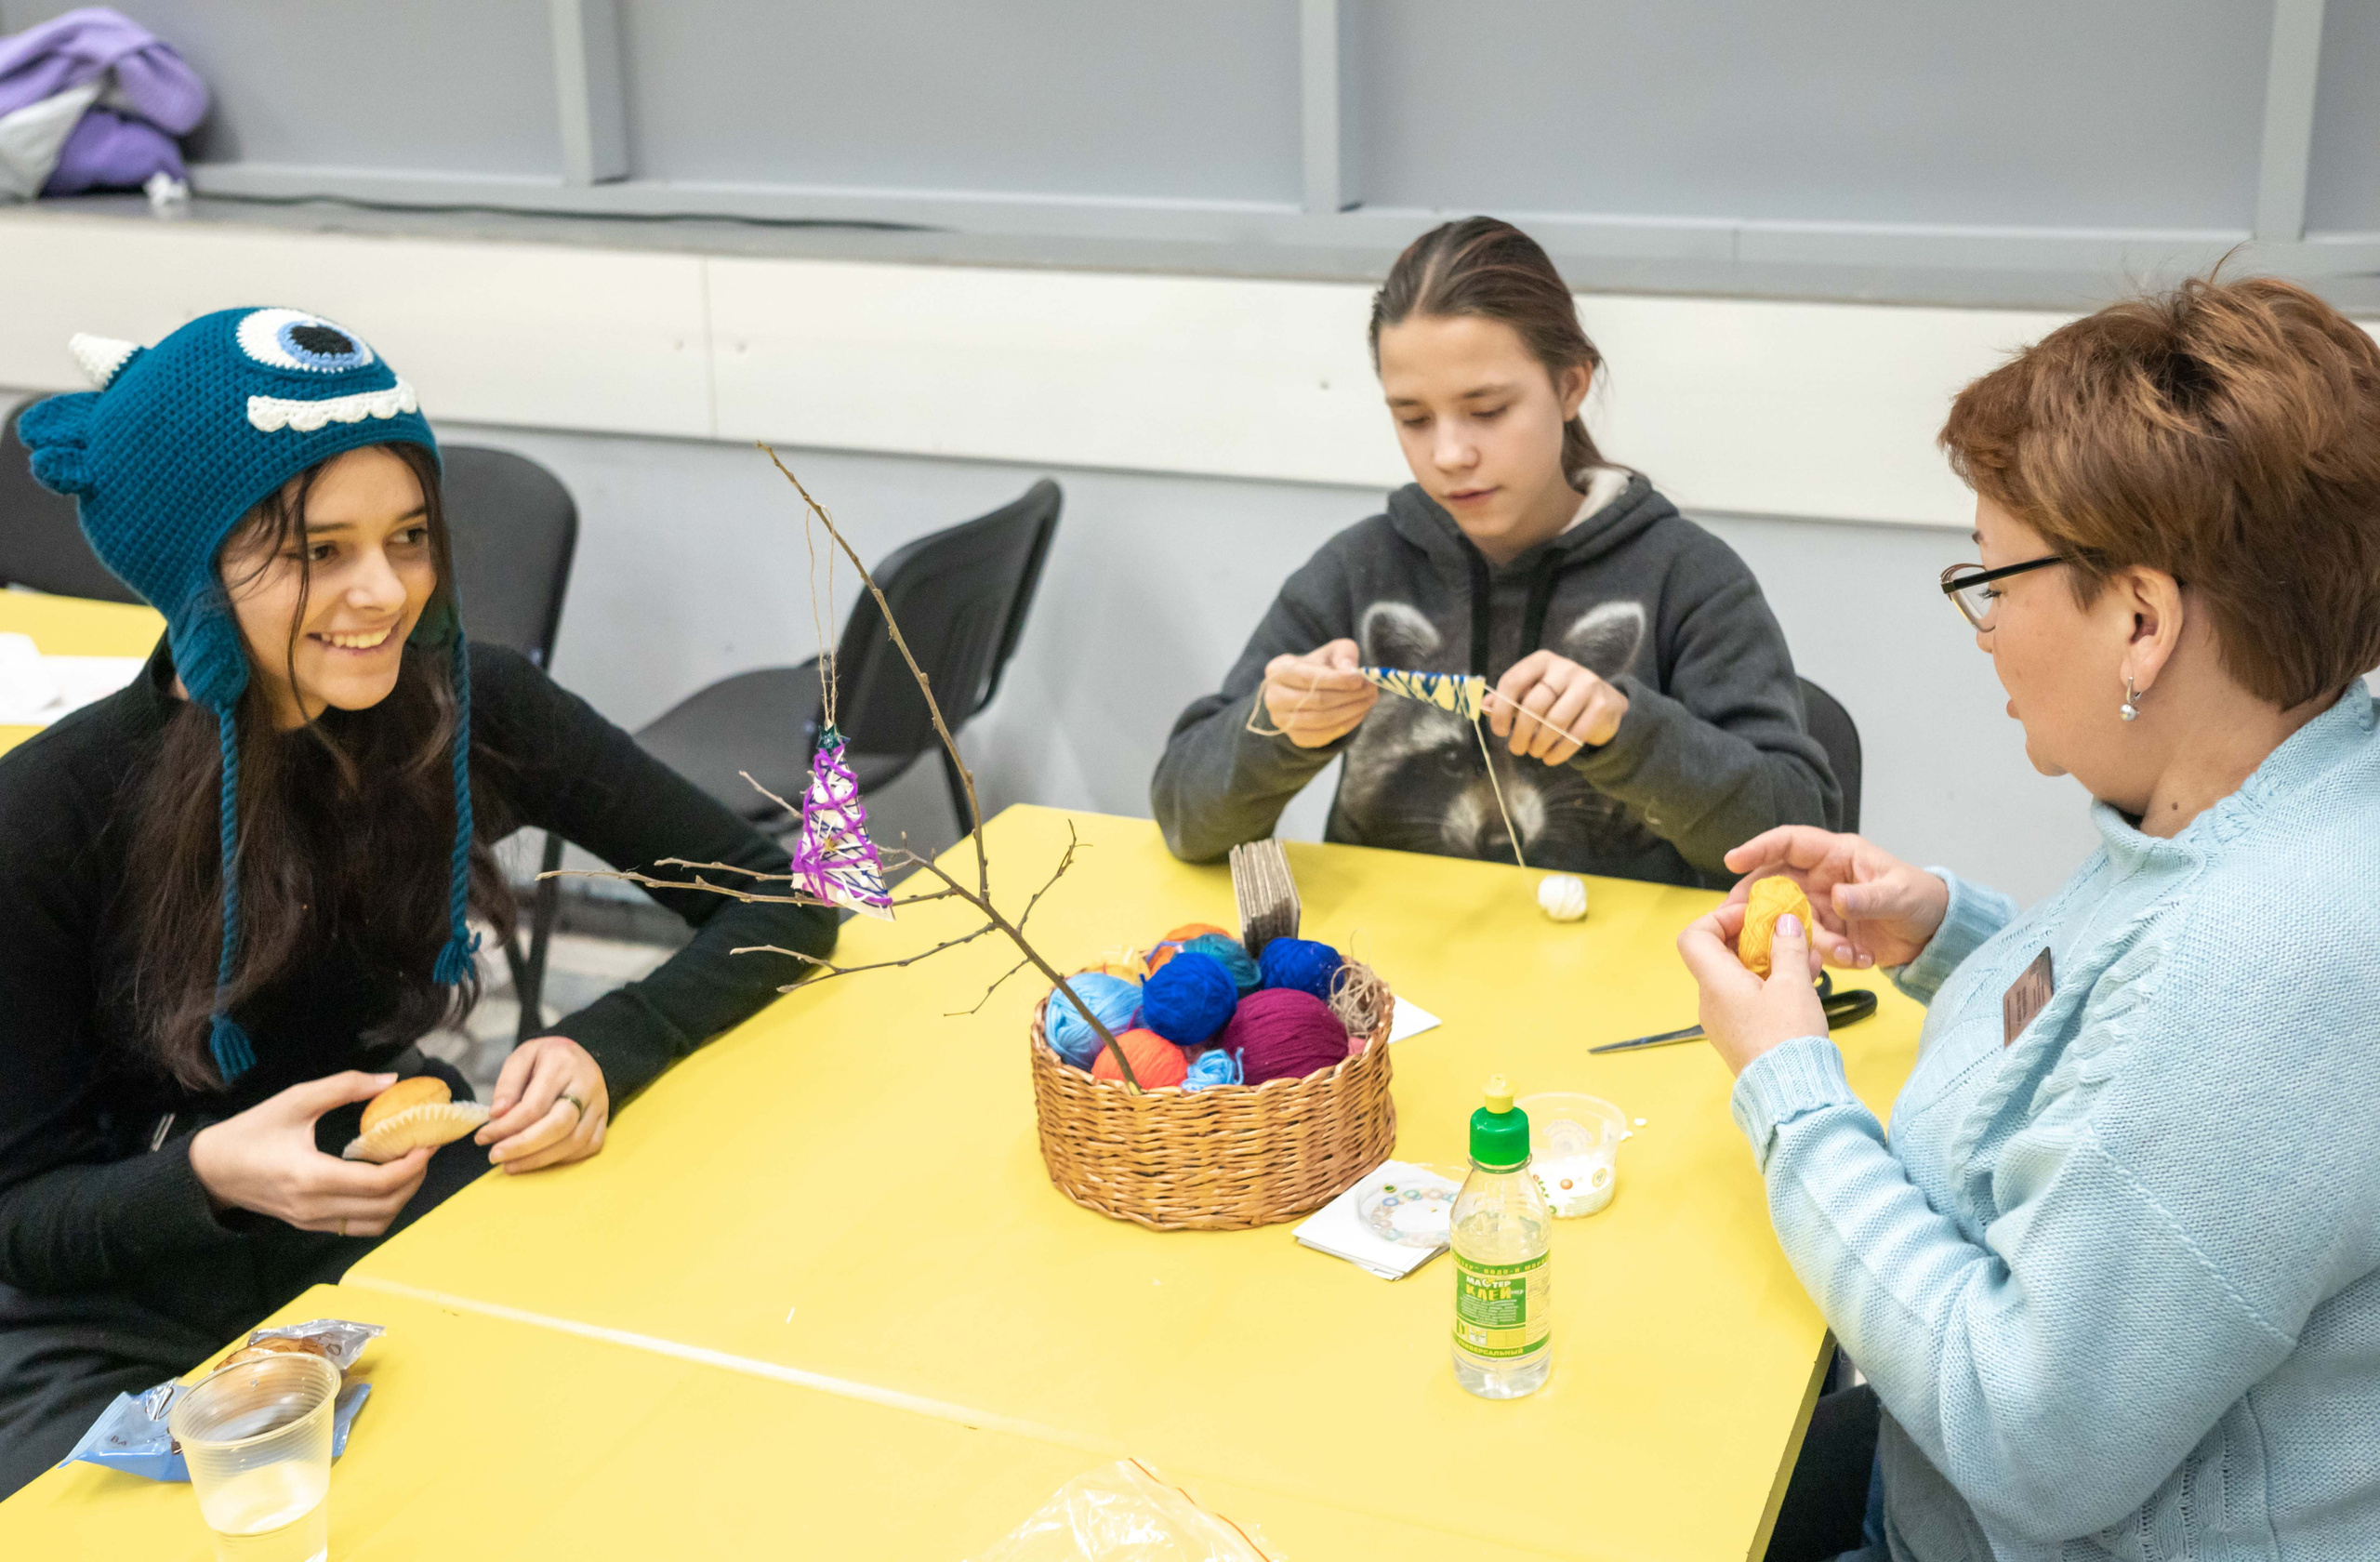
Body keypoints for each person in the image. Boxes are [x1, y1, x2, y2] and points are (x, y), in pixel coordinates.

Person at [0, 309, 835, 1495]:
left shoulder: (467, 709)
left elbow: (782, 899)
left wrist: (603, 1045)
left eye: (407, 536)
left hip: (379, 1238)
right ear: (195, 573)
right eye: (319, 552)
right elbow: (21, 1218)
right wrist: (209, 1176)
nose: (384, 591)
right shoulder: (46, 815)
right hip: (114, 1316)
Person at [1678, 276, 2380, 1559]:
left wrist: (1787, 1088)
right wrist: (1948, 930)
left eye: (1994, 584)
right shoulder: (2292, 786)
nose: (1987, 633)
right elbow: (2121, 1030)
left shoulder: (2268, 960)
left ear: (2144, 622)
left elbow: (2023, 1434)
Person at [1151, 217, 1835, 888]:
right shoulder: (1358, 572)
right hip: (1384, 983)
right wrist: (1273, 730)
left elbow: (1800, 842)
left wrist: (1633, 734)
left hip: (1625, 985)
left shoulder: (1688, 579)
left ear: (1571, 385)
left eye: (1487, 410)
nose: (1450, 454)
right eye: (1413, 418)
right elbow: (1186, 820)